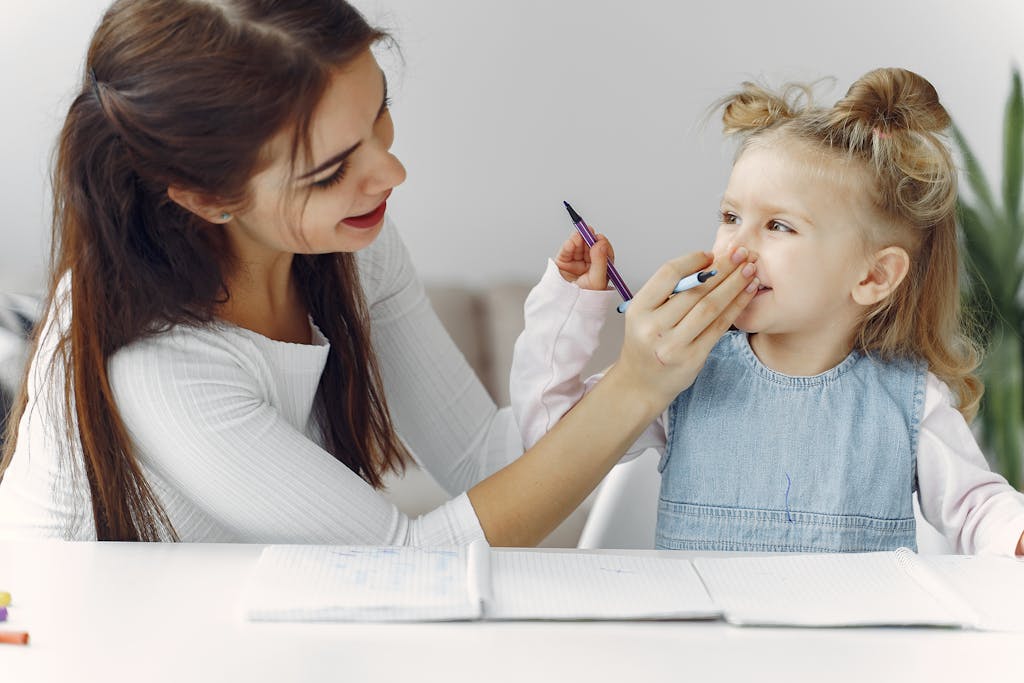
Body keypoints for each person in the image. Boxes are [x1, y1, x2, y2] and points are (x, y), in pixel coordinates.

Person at [0, 0, 758, 544]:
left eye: (380, 114)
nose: (392, 171)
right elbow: (404, 564)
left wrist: (644, 381)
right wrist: (633, 385)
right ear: (207, 197)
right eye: (331, 171)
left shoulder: (351, 250)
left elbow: (481, 462)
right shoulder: (160, 366)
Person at [511, 68, 1024, 555]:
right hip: (705, 642)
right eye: (731, 217)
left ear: (873, 277)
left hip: (853, 646)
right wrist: (571, 304)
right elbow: (549, 437)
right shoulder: (682, 372)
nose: (736, 247)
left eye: (779, 226)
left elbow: (977, 509)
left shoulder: (911, 401)